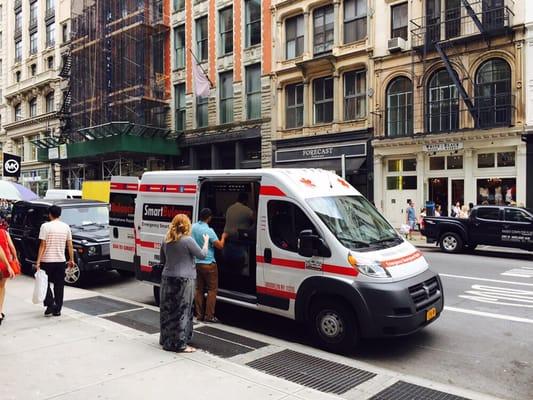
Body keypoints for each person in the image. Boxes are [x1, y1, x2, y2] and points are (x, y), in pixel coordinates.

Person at [159, 214, 209, 353]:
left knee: (167, 310)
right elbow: (202, 255)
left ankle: (166, 339)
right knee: (183, 311)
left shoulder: (166, 239)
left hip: (167, 277)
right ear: (187, 225)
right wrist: (205, 242)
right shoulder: (187, 240)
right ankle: (180, 344)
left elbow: (162, 259)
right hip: (184, 280)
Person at [35, 205, 75, 317]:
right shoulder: (66, 227)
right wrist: (71, 259)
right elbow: (70, 245)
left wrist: (38, 261)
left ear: (49, 214)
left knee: (44, 283)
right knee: (59, 285)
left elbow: (42, 245)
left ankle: (50, 303)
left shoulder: (45, 226)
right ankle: (57, 309)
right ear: (60, 214)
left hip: (46, 260)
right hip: (60, 261)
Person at [192, 208, 227, 323]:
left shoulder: (194, 227)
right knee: (212, 290)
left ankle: (199, 315)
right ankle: (209, 316)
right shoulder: (209, 231)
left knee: (199, 289)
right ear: (209, 217)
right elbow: (220, 246)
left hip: (197, 263)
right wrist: (224, 237)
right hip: (209, 264)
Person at [0, 212, 18, 326]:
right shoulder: (5, 233)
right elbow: (11, 247)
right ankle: (0, 311)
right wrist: (14, 259)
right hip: (2, 264)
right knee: (1, 287)